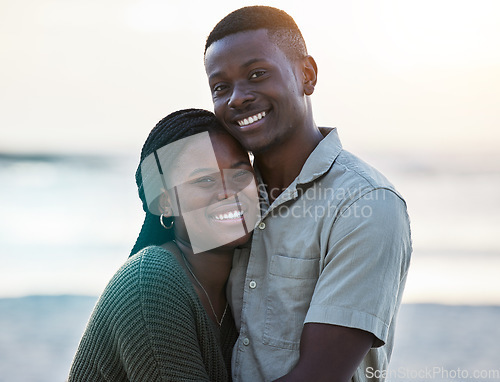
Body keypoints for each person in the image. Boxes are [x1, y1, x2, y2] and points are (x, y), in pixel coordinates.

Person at [204, 6, 412, 382]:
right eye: (220, 87)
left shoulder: (366, 204)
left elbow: (318, 376)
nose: (237, 98)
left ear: (307, 75)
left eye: (257, 74)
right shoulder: (229, 202)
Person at [68, 109, 260, 381]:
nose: (230, 192)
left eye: (241, 175)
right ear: (166, 202)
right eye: (205, 180)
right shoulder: (151, 282)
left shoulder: (247, 284)